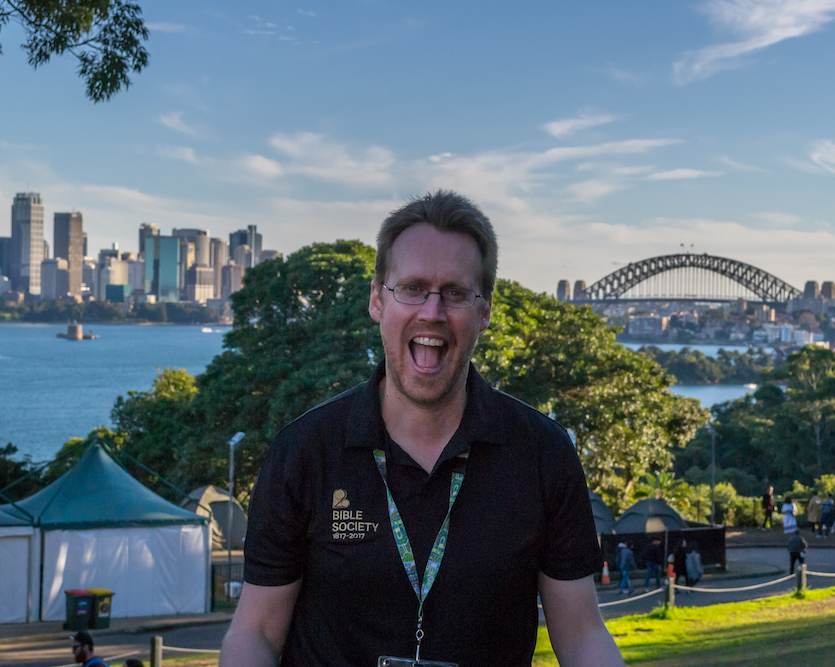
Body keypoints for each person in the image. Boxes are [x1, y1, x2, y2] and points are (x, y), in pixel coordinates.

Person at [220, 191, 624, 667]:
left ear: (485, 311)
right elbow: (256, 634)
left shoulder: (543, 453)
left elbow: (581, 635)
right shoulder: (304, 451)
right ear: (377, 300)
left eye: (455, 292)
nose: (432, 312)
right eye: (412, 288)